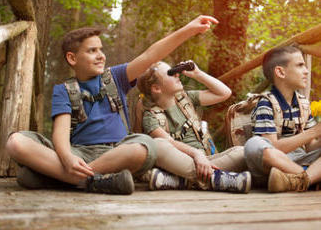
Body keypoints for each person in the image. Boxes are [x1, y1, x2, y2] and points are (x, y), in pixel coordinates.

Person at [5, 15, 219, 195]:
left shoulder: (116, 77)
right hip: (78, 154)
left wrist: (189, 30)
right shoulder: (63, 90)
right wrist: (68, 158)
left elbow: (150, 55)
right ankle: (92, 181)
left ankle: (63, 179)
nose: (101, 55)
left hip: (117, 153)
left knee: (144, 146)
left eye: (101, 49)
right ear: (72, 58)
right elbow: (60, 134)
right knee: (16, 142)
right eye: (92, 51)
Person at [136, 61, 251, 193]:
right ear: (157, 88)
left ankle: (181, 181)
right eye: (170, 73)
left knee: (243, 151)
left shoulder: (187, 99)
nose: (177, 74)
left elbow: (224, 93)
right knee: (157, 145)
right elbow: (169, 142)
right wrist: (196, 154)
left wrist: (197, 74)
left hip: (208, 161)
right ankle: (216, 179)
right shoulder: (150, 117)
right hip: (180, 164)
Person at [244, 45, 321, 192]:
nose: (306, 71)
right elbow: (274, 148)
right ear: (280, 72)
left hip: (301, 160)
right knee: (253, 144)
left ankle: (298, 180)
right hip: (274, 165)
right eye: (300, 65)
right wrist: (314, 132)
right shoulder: (266, 103)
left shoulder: (303, 103)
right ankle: (309, 178)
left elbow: (311, 146)